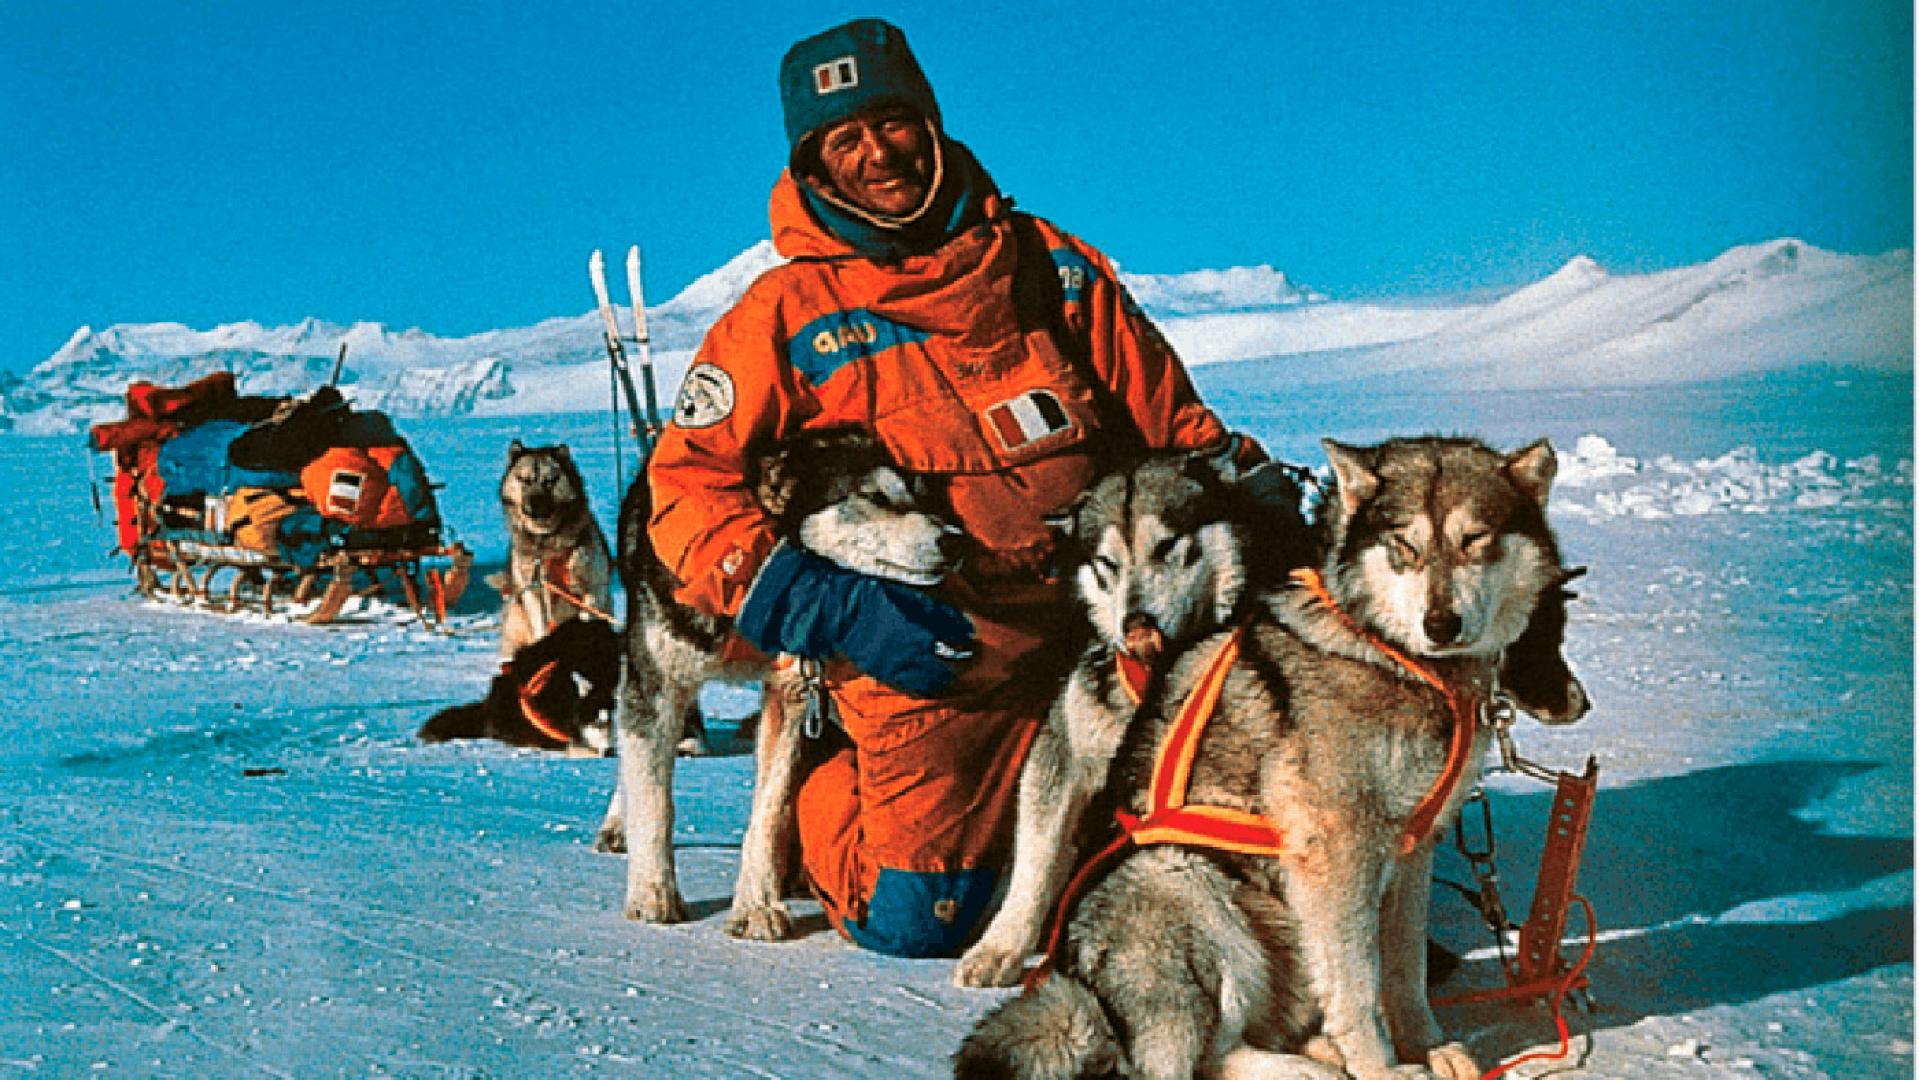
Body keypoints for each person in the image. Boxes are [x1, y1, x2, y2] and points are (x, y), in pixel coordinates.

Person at [645, 17, 1257, 957]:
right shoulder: (783, 316)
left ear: (929, 125)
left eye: (889, 122)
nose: (874, 153)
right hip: (927, 654)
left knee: (1172, 854)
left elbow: (1174, 432)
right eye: (842, 139)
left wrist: (1251, 497)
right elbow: (685, 489)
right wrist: (823, 608)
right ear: (811, 166)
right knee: (925, 919)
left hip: (1096, 632)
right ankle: (824, 775)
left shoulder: (1047, 267)